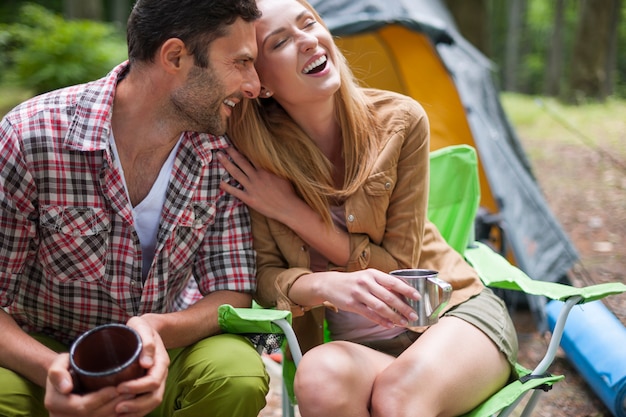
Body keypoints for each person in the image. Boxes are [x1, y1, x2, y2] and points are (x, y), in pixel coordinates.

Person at [218, 0, 519, 416]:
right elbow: (266, 281)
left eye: (309, 24)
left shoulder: (400, 121)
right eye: (282, 41)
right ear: (262, 82)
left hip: (453, 317)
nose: (307, 41)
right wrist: (323, 287)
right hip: (363, 349)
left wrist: (292, 212)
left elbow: (400, 268)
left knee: (397, 398)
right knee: (319, 377)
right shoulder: (256, 159)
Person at [0, 1, 270, 416]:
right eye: (241, 63)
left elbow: (229, 291)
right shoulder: (28, 136)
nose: (253, 85)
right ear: (175, 56)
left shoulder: (221, 153)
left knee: (235, 375)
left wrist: (157, 330)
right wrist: (57, 370)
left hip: (165, 350)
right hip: (48, 350)